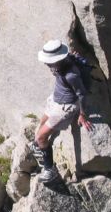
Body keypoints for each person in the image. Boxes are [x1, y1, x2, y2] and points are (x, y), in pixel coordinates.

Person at [32, 39, 93, 183]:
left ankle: (49, 170)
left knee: (41, 137)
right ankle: (40, 145)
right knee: (41, 126)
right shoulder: (62, 63)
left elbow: (82, 94)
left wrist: (82, 115)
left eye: (49, 61)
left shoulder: (71, 74)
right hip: (55, 99)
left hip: (65, 107)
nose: (46, 63)